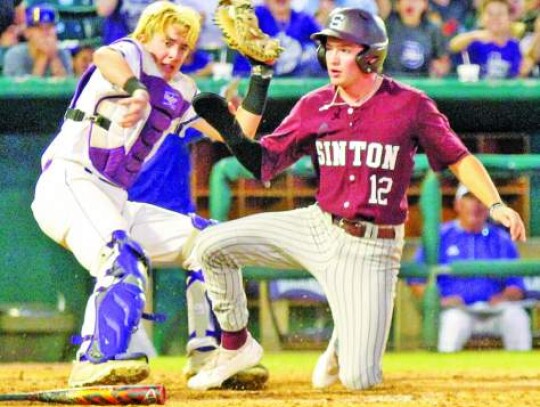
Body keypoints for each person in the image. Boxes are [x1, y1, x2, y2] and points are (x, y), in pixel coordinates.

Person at [185, 7, 526, 391]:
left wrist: (497, 204)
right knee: (211, 245)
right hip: (317, 224)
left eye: (344, 48)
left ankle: (346, 336)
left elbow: (458, 158)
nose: (332, 57)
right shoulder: (315, 103)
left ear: (371, 56)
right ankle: (235, 346)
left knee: (359, 379)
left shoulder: (410, 105)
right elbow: (263, 164)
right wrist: (234, 129)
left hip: (372, 248)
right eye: (329, 48)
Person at [31, 1, 274, 388]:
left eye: (183, 49)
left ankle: (212, 352)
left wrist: (261, 75)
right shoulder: (131, 53)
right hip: (67, 183)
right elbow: (105, 55)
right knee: (119, 254)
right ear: (147, 36)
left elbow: (237, 135)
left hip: (114, 200)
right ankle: (95, 356)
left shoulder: (182, 89)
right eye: (169, 43)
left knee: (210, 241)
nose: (174, 54)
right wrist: (136, 90)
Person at [409, 184, 532, 352]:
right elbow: (416, 280)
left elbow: (517, 286)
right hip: (457, 310)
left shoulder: (501, 239)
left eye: (480, 199)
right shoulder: (440, 236)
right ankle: (444, 376)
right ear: (457, 204)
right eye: (469, 198)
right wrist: (441, 301)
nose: (476, 204)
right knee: (453, 323)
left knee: (517, 317)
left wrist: (503, 297)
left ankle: (522, 375)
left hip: (495, 310)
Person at [449, 0, 523, 79]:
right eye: (490, 14)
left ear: (509, 17)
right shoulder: (476, 42)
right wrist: (473, 36)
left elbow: (518, 73)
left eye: (500, 14)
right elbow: (452, 46)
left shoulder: (514, 45)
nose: (495, 18)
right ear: (482, 17)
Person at [3, 3, 73, 78]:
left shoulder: (63, 54)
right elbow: (23, 89)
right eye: (39, 27)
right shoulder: (15, 55)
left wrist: (53, 57)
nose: (45, 32)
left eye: (50, 26)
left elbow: (66, 88)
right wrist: (43, 57)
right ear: (27, 32)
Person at [385, 0, 451, 77]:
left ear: (425, 5)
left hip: (422, 84)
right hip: (391, 84)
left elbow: (443, 61)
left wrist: (439, 69)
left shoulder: (433, 30)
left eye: (416, 0)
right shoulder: (387, 27)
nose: (411, 3)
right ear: (397, 5)